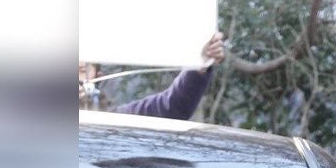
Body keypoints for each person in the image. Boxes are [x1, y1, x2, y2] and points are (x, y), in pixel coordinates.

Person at [78, 32, 226, 119]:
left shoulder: (117, 123)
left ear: (98, 76)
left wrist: (201, 61)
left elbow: (171, 106)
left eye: (81, 70)